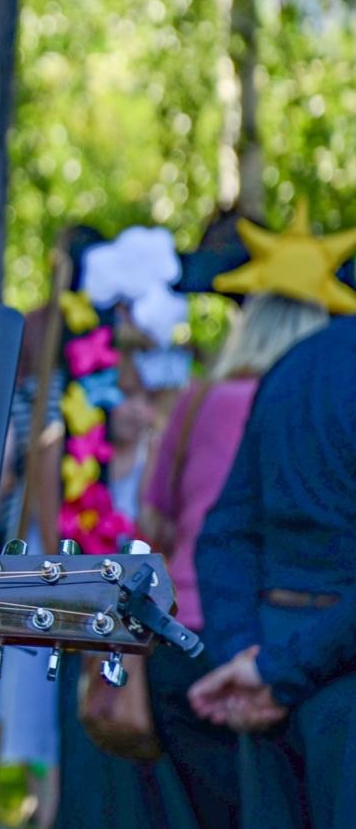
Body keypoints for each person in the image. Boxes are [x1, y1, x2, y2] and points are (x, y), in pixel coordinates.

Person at [137, 294, 327, 829]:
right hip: (275, 644)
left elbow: (154, 519)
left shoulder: (199, 401)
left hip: (178, 636)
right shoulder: (307, 408)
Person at [190, 314, 356, 828]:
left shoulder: (296, 361)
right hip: (329, 670)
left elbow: (225, 533)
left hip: (277, 660)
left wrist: (247, 658)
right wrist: (264, 670)